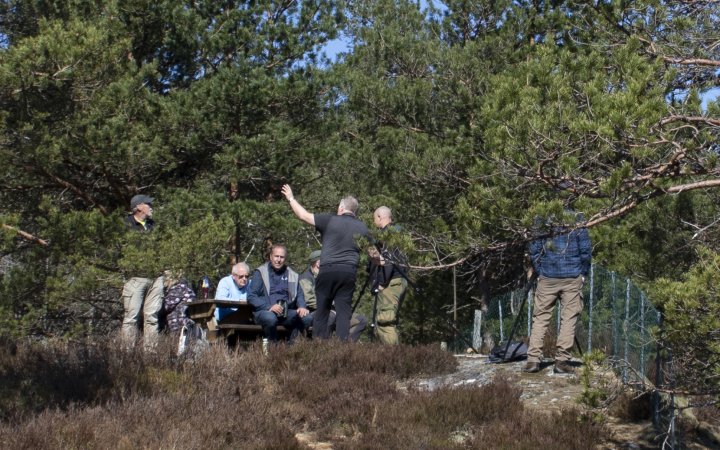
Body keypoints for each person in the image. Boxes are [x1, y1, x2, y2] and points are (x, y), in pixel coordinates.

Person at [281, 184, 369, 341]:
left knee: (322, 310)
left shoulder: (329, 220)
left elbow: (303, 215)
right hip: (348, 272)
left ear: (341, 208)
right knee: (344, 313)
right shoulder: (362, 227)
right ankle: (342, 349)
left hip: (328, 270)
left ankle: (318, 347)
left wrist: (291, 198)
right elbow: (374, 250)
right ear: (354, 211)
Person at [523, 214, 592, 374]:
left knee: (540, 318)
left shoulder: (541, 218)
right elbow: (585, 251)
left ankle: (533, 360)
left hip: (548, 276)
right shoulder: (578, 218)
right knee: (568, 318)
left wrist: (540, 271)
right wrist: (583, 274)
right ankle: (561, 361)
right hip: (572, 276)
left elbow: (534, 250)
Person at [121, 194, 165, 350]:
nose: (151, 207)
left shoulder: (154, 225)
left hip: (156, 277)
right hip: (135, 277)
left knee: (152, 317)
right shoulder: (126, 225)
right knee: (131, 318)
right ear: (139, 206)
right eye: (148, 204)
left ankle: (151, 355)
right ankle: (126, 356)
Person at [299, 249, 367, 342]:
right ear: (318, 263)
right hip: (314, 312)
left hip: (335, 311)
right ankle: (323, 347)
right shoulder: (306, 278)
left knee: (360, 320)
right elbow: (309, 300)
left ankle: (344, 347)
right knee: (330, 316)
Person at [248, 244, 309, 342]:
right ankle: (273, 349)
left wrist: (302, 306)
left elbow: (299, 294)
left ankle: (292, 348)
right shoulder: (260, 272)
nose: (279, 260)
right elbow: (251, 296)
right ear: (271, 257)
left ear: (285, 258)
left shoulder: (292, 274)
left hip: (286, 311)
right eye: (276, 256)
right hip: (265, 311)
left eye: (282, 257)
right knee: (270, 318)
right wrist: (269, 307)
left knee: (306, 318)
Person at [368, 206, 407, 345]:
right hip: (398, 280)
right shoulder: (399, 232)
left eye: (374, 219)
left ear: (380, 217)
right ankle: (388, 357)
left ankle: (394, 358)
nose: (374, 223)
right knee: (386, 320)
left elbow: (389, 260)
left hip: (391, 281)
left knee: (385, 321)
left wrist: (382, 282)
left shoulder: (388, 234)